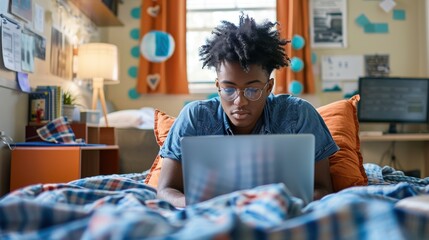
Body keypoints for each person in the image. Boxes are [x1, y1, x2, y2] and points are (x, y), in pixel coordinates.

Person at [157, 13, 339, 208]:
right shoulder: (195, 117)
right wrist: (196, 204)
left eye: (252, 90)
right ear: (218, 85)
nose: (240, 101)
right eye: (228, 89)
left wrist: (283, 204)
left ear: (269, 87)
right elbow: (165, 190)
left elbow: (323, 188)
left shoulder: (298, 115)